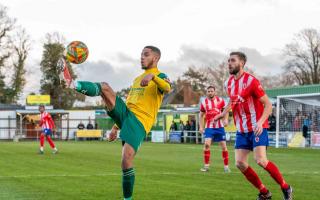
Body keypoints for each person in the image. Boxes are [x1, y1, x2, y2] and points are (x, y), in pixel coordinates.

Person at [72, 46, 170, 200]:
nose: (142, 57)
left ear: (156, 58)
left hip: (139, 122)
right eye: (141, 54)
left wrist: (153, 77)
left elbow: (167, 87)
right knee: (105, 88)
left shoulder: (161, 75)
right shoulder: (137, 79)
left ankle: (127, 198)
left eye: (146, 55)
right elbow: (129, 103)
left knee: (126, 161)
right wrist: (115, 127)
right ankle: (74, 84)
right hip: (126, 115)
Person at [214, 52, 292, 200]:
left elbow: (268, 105)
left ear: (242, 63)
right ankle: (264, 193)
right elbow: (232, 101)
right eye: (228, 60)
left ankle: (286, 187)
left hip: (257, 127)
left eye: (232, 60)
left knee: (261, 160)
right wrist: (223, 113)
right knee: (240, 163)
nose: (229, 63)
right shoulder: (228, 83)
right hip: (242, 129)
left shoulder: (252, 81)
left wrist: (261, 122)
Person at [199, 86, 230, 173]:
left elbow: (226, 111)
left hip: (220, 127)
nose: (210, 93)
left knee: (224, 147)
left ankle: (226, 167)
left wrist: (226, 120)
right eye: (208, 91)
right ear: (207, 92)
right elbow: (201, 115)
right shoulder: (204, 103)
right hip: (209, 127)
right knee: (207, 145)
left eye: (211, 91)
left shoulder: (221, 101)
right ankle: (206, 166)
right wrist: (201, 127)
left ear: (214, 92)